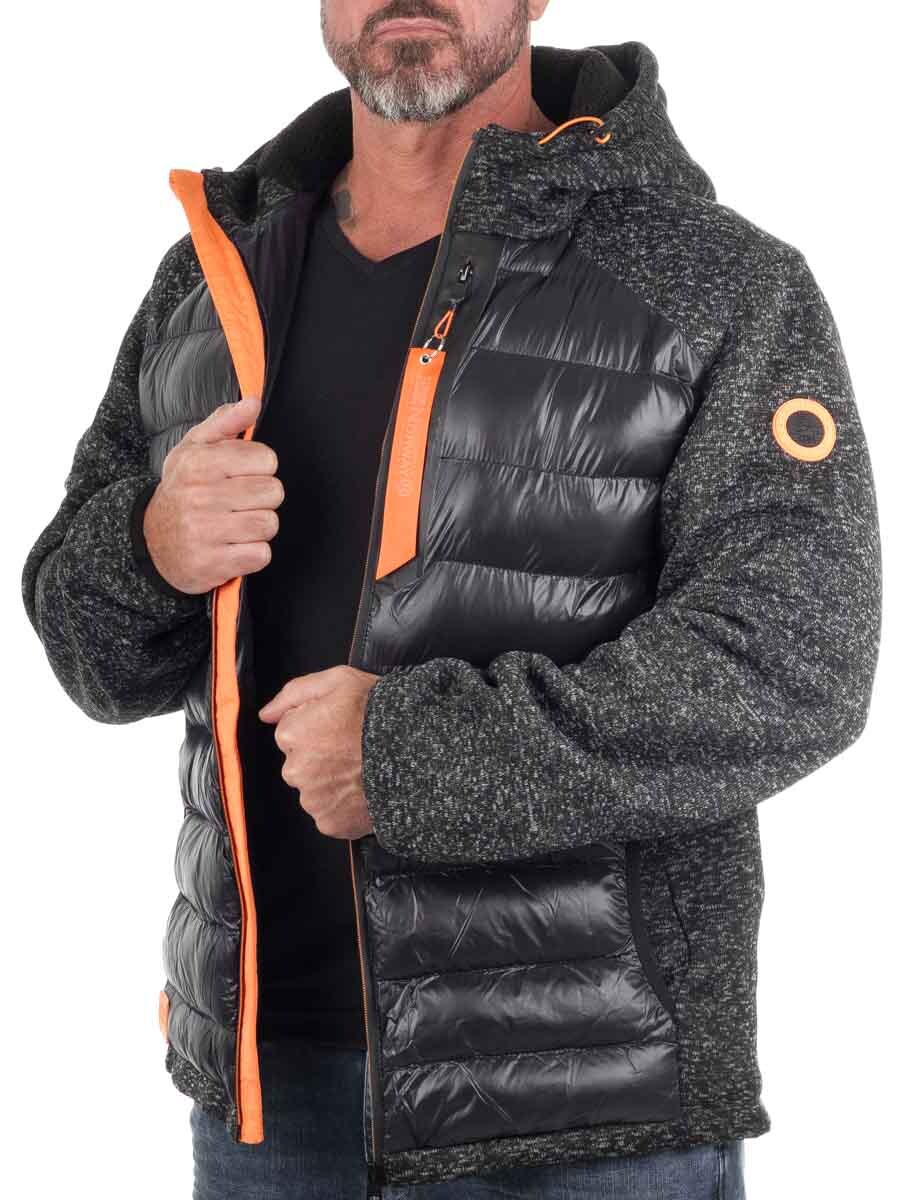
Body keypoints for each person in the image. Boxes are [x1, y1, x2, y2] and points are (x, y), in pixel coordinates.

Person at [21, 2, 882, 1198]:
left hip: (590, 1102)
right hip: (271, 1092)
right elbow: (93, 658)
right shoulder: (215, 274)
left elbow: (793, 662)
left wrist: (407, 755)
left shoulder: (718, 281)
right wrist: (149, 548)